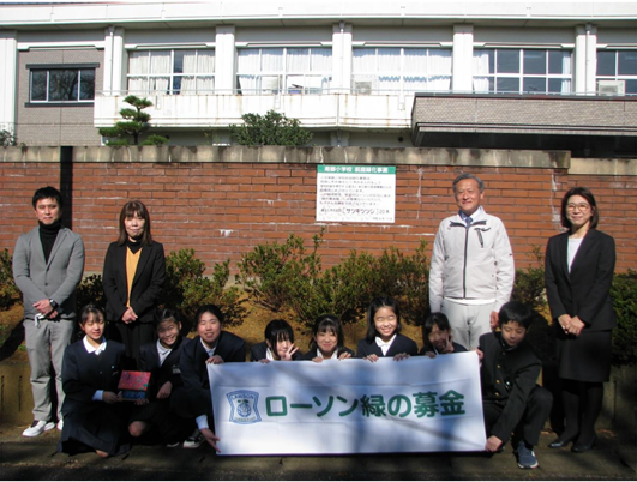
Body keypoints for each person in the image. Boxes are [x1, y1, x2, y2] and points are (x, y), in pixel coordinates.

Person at [545, 187, 616, 453]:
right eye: (571, 205)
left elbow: (602, 282)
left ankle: (588, 432)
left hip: (594, 324)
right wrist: (561, 314)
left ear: (592, 211)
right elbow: (551, 282)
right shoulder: (556, 242)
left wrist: (582, 318)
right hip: (565, 322)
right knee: (568, 378)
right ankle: (570, 429)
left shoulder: (604, 242)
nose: (575, 210)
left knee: (590, 380)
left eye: (582, 205)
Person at [12, 186, 85, 436]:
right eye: (42, 207)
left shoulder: (73, 240)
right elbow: (20, 275)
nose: (47, 211)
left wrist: (53, 302)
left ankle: (65, 414)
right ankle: (42, 417)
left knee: (63, 369)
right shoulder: (24, 240)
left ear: (60, 209)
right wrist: (42, 302)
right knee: (39, 368)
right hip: (34, 316)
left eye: (51, 206)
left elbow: (73, 276)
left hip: (63, 315)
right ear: (35, 210)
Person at [429, 173, 515, 350]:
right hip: (453, 304)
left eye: (470, 191)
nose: (465, 196)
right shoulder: (446, 225)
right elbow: (437, 269)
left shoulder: (494, 224)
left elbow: (505, 269)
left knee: (484, 356)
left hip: (485, 303)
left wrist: (500, 306)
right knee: (453, 355)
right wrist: (436, 309)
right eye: (460, 192)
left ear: (481, 194)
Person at [477, 301, 552, 470]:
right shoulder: (486, 341)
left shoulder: (531, 358)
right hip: (491, 403)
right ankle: (491, 435)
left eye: (519, 331)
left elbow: (519, 397)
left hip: (518, 402)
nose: (512, 335)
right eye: (508, 329)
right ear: (500, 326)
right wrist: (473, 357)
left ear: (526, 331)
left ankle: (525, 443)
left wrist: (499, 435)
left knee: (543, 397)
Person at [172, 305, 245, 451]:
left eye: (212, 322)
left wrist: (225, 367)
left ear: (220, 325)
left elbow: (241, 379)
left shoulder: (236, 345)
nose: (208, 328)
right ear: (197, 327)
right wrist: (203, 426)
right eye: (203, 323)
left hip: (226, 396)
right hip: (200, 396)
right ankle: (198, 429)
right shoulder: (188, 350)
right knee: (179, 396)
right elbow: (192, 387)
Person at [58, 305, 128, 458]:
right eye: (90, 324)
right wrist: (99, 395)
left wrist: (124, 392)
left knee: (106, 449)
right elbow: (69, 385)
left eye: (100, 322)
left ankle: (95, 443)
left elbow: (126, 376)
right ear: (82, 326)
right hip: (82, 405)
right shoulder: (72, 352)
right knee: (72, 433)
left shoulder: (117, 349)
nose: (96, 327)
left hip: (109, 407)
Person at [102, 200, 166, 368]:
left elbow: (156, 285)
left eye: (140, 218)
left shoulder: (155, 249)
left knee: (142, 367)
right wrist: (123, 311)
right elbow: (108, 283)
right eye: (130, 218)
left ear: (146, 222)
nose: (135, 223)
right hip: (118, 319)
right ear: (124, 222)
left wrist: (135, 309)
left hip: (143, 319)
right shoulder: (113, 249)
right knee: (118, 366)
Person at [128, 308, 193, 447]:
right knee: (135, 429)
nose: (168, 334)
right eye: (162, 330)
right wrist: (140, 393)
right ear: (156, 331)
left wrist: (172, 383)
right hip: (152, 402)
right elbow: (141, 374)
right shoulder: (145, 350)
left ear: (179, 326)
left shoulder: (188, 346)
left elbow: (192, 374)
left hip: (176, 403)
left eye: (171, 328)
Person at [356, 296, 418, 361]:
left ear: (397, 318)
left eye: (391, 318)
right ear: (373, 321)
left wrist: (406, 360)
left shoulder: (409, 345)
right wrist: (366, 362)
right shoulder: (364, 345)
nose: (386, 324)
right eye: (380, 319)